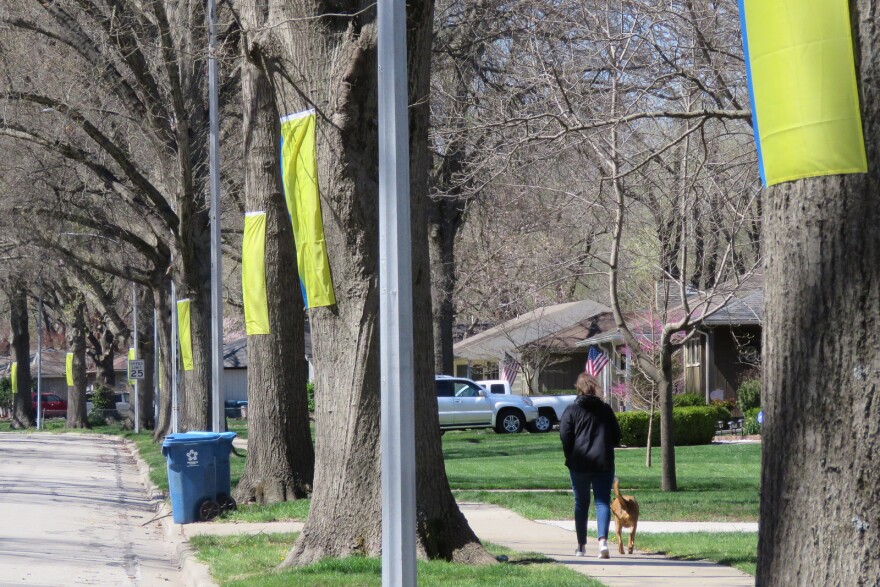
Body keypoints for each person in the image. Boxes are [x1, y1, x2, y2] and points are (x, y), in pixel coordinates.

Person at [559, 372, 621, 558]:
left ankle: (581, 546)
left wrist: (570, 455)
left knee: (581, 503)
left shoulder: (571, 410)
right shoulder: (606, 410)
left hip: (579, 464)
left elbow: (565, 436)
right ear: (595, 388)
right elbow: (616, 436)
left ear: (579, 388)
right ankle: (602, 542)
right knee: (602, 501)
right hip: (604, 463)